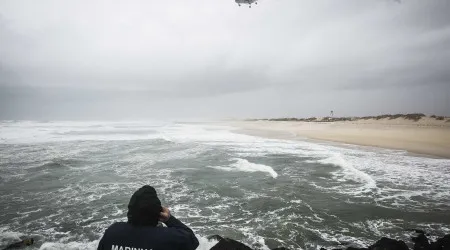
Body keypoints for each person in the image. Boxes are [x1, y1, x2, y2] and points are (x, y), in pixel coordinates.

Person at [97, 185, 199, 250]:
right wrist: (169, 219)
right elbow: (193, 241)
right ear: (158, 213)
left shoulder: (113, 232)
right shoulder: (169, 237)